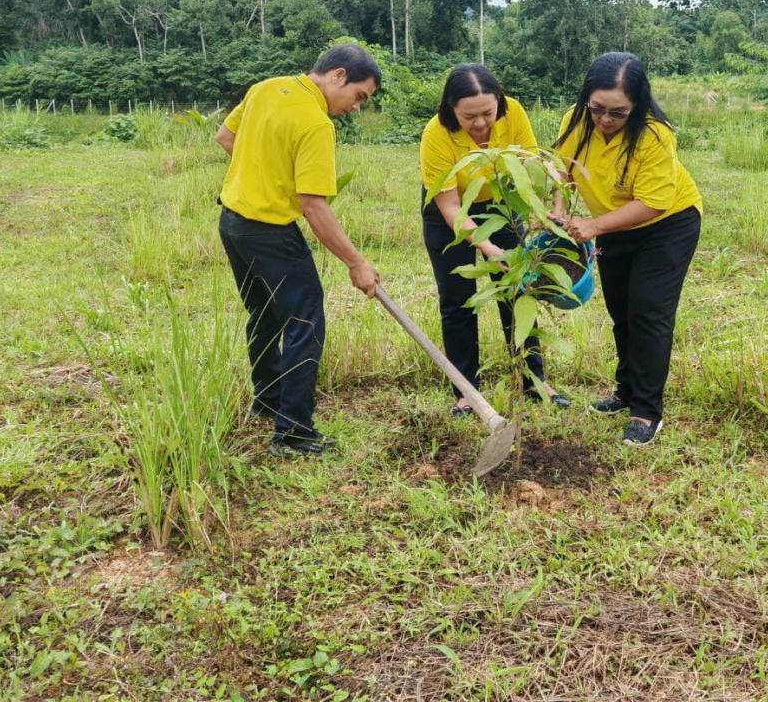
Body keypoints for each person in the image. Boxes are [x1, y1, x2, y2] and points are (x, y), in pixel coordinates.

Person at [215, 43, 382, 458]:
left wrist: (265, 170)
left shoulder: (266, 87)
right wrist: (356, 263)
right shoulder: (315, 123)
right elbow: (313, 205)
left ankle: (269, 400)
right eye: (359, 97)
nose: (355, 108)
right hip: (270, 232)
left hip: (233, 223)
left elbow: (225, 136)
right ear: (339, 75)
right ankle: (293, 431)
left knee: (265, 314)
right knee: (304, 319)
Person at [553, 52, 702, 446]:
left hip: (667, 226)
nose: (605, 119)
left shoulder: (654, 135)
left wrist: (594, 225)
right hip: (614, 225)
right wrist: (558, 211)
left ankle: (646, 410)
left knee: (649, 313)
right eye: (597, 108)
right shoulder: (575, 120)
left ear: (637, 104)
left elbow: (653, 202)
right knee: (621, 310)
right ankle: (625, 391)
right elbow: (563, 171)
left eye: (618, 113)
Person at [419, 64, 569, 416]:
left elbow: (530, 163)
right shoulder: (436, 134)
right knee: (457, 300)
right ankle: (466, 390)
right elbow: (451, 207)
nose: (481, 123)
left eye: (487, 113)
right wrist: (487, 248)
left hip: (502, 205)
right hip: (451, 216)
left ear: (498, 103)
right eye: (469, 116)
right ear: (450, 109)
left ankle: (533, 381)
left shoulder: (512, 111)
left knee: (518, 290)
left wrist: (545, 202)